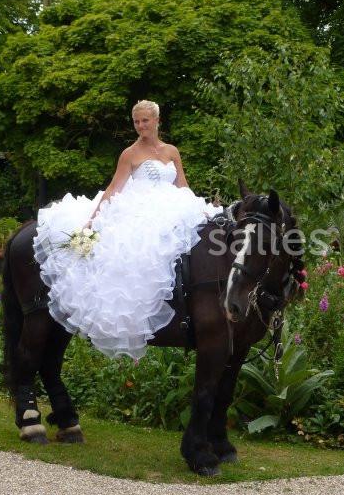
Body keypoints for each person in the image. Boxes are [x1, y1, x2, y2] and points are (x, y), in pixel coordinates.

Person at [33, 100, 221, 360]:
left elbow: (182, 185)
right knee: (141, 253)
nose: (141, 126)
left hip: (174, 204)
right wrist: (91, 220)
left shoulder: (171, 151)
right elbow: (113, 188)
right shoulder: (129, 154)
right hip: (141, 208)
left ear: (157, 121)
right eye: (137, 122)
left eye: (145, 120)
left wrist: (200, 208)